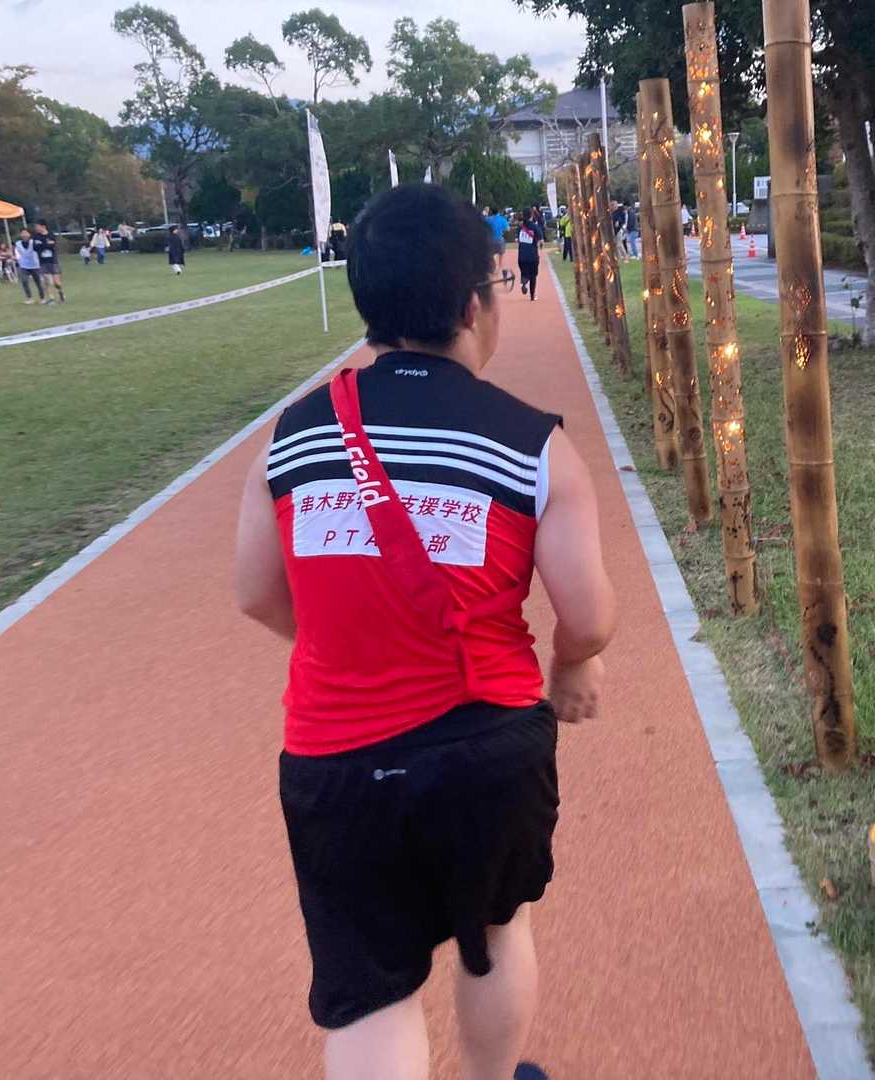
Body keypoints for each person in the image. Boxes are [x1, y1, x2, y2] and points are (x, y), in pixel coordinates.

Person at [234, 182, 614, 1080]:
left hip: (333, 756)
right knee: (496, 931)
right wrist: (570, 667)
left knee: (370, 988)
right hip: (487, 745)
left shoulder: (290, 439)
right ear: (474, 305)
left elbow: (253, 593)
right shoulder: (532, 443)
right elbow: (589, 616)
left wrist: (348, 645)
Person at [32, 220, 64, 303]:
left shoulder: (51, 235)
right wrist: (46, 244)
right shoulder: (36, 236)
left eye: (37, 226)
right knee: (47, 280)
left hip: (53, 261)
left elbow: (52, 245)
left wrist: (43, 245)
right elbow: (35, 247)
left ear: (43, 226)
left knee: (56, 282)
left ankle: (61, 293)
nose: (36, 228)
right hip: (43, 262)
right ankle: (51, 298)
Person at [516, 207, 543, 301]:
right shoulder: (535, 227)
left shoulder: (520, 228)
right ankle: (532, 295)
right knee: (533, 276)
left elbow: (517, 240)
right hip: (532, 256)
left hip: (521, 256)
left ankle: (524, 282)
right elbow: (541, 241)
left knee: (524, 272)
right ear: (531, 216)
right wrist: (540, 246)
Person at [14, 227, 46, 304]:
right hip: (24, 265)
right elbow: (17, 253)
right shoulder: (18, 243)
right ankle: (29, 298)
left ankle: (42, 298)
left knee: (38, 282)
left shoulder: (33, 242)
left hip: (35, 265)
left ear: (29, 234)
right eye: (22, 233)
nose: (24, 235)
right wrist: (18, 259)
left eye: (26, 233)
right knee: (24, 281)